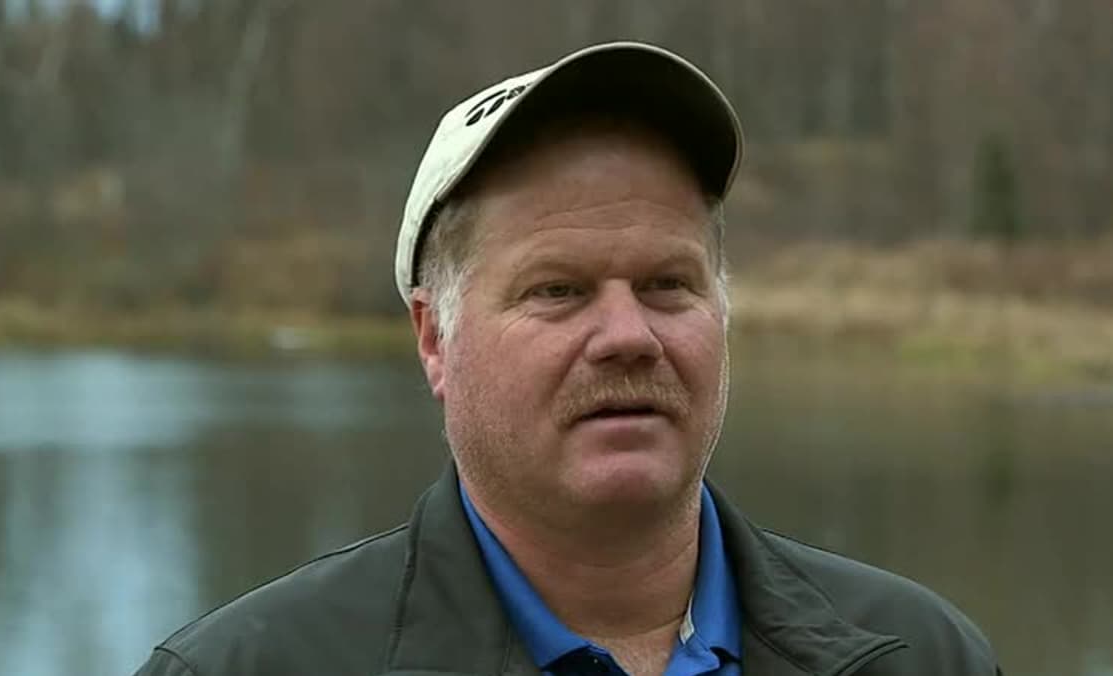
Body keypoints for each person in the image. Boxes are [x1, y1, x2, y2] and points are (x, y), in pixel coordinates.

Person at [133, 41, 998, 676]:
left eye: (667, 284)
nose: (628, 335)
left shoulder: (923, 656)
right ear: (435, 338)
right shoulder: (249, 666)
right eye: (558, 291)